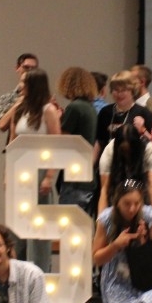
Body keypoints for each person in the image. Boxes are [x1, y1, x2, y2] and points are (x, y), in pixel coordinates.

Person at [0, 67, 62, 271]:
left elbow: (56, 144)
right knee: (18, 227)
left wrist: (49, 176)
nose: (21, 86)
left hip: (40, 171)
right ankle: (18, 271)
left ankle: (40, 272)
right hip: (20, 170)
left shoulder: (48, 110)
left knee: (39, 228)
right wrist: (8, 173)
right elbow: (12, 143)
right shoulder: (19, 109)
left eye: (25, 83)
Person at [57, 67, 99, 214]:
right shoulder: (90, 108)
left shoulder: (74, 108)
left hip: (74, 178)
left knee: (68, 224)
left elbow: (63, 139)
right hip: (86, 176)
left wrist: (57, 118)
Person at [98, 122, 152, 213]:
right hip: (117, 195)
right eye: (123, 151)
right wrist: (100, 219)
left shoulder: (150, 150)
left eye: (130, 151)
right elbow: (105, 189)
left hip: (142, 196)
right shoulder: (109, 152)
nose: (127, 155)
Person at [0, 52, 39, 126]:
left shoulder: (43, 96)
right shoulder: (8, 98)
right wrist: (19, 102)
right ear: (17, 68)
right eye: (26, 67)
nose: (30, 71)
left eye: (33, 68)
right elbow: (1, 126)